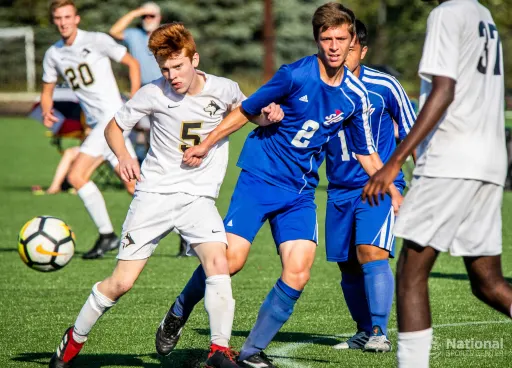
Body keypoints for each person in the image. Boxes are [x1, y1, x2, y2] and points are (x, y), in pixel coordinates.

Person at [155, 3, 400, 367]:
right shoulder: (294, 75)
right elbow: (245, 109)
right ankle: (179, 308)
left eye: (341, 39)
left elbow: (366, 152)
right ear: (317, 40)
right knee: (230, 261)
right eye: (326, 38)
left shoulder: (355, 96)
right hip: (259, 178)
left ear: (352, 42)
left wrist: (391, 187)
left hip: (300, 192)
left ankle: (252, 352)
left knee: (299, 271)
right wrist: (206, 144)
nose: (334, 46)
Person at [48, 22, 283, 368]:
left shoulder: (225, 88)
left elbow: (252, 115)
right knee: (121, 283)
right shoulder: (152, 93)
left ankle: (218, 352)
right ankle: (74, 340)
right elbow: (114, 127)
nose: (172, 75)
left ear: (194, 59)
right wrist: (125, 155)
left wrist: (270, 114)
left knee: (219, 264)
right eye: (165, 69)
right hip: (153, 196)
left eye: (178, 66)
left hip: (198, 200)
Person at [363, 0, 512, 367]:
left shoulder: (446, 13)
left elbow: (444, 90)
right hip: (489, 161)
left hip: (451, 158)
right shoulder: (483, 15)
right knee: (488, 284)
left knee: (412, 271)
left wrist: (395, 160)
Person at [325, 20, 415, 353]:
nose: (339, 53)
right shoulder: (322, 86)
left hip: (378, 184)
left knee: (370, 253)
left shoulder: (385, 85)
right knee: (346, 263)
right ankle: (363, 331)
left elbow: (411, 131)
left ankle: (379, 330)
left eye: (348, 48)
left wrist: (410, 175)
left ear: (362, 50)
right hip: (338, 188)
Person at [41, 0, 141, 259]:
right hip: (98, 126)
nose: (63, 22)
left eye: (67, 17)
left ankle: (107, 234)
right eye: (58, 18)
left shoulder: (97, 40)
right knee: (133, 185)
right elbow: (47, 87)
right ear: (55, 21)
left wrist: (137, 96)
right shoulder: (54, 53)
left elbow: (132, 63)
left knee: (76, 176)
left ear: (77, 19)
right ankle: (185, 234)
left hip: (113, 121)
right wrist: (46, 108)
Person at [109, 1, 162, 86]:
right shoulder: (133, 34)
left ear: (159, 17)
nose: (148, 19)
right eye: (144, 16)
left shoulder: (167, 34)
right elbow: (113, 31)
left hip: (166, 84)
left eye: (152, 16)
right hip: (142, 87)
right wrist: (134, 13)